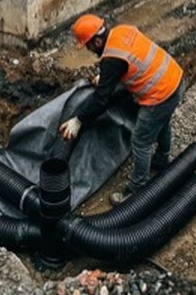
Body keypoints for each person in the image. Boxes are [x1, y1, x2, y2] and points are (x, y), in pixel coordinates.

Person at [57, 14, 185, 205]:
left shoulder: (111, 61)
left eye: (89, 46)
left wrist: (78, 120)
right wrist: (107, 77)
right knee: (162, 122)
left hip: (160, 94)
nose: (90, 51)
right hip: (174, 78)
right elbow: (130, 58)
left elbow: (101, 99)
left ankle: (136, 191)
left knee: (141, 141)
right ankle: (161, 159)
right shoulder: (122, 30)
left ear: (97, 41)